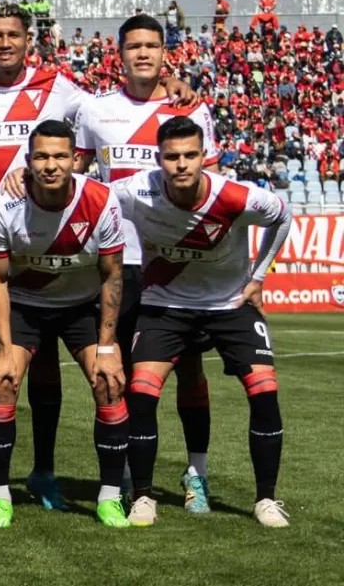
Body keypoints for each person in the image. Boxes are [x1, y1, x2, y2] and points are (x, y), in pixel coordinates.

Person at [0, 1, 196, 512]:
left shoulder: (63, 90)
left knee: (86, 372)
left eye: (14, 34)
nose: (5, 43)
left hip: (58, 251)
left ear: (28, 40)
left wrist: (172, 84)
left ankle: (48, 473)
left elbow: (124, 103)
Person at [112, 116, 293, 528]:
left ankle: (266, 499)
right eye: (172, 156)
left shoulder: (236, 196)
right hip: (164, 305)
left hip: (229, 305)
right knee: (141, 392)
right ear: (159, 159)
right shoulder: (136, 190)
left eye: (190, 155)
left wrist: (258, 277)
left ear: (203, 156)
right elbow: (85, 198)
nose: (181, 164)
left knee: (264, 390)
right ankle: (142, 495)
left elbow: (283, 216)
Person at [74, 14, 220, 513]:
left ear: (165, 53)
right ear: (119, 53)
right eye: (134, 46)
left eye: (152, 46)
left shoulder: (192, 112)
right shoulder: (94, 111)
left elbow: (212, 193)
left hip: (179, 264)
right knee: (131, 378)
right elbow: (75, 179)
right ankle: (138, 488)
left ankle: (195, 475)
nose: (143, 53)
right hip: (121, 264)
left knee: (191, 373)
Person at [0, 119, 129, 529]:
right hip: (23, 307)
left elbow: (112, 275)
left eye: (60, 156)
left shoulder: (100, 200)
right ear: (27, 162)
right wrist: (4, 346)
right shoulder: (3, 205)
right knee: (3, 383)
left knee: (108, 382)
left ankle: (110, 498)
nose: (51, 165)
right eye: (42, 156)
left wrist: (106, 347)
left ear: (76, 159)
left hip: (79, 308)